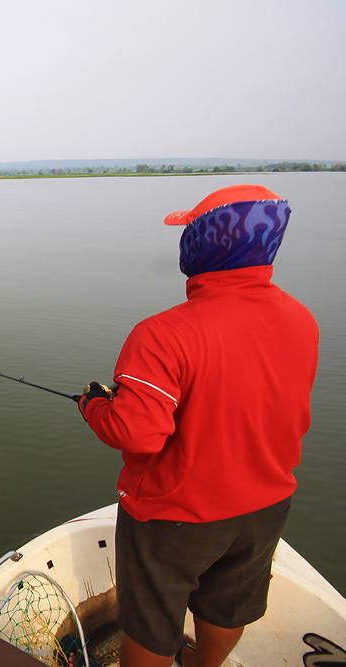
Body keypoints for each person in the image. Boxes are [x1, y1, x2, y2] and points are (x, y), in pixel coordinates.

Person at [77, 184, 319, 667]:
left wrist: (93, 406)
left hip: (176, 515)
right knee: (228, 603)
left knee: (150, 619)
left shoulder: (163, 334)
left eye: (189, 229)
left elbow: (136, 432)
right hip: (266, 506)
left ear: (207, 242)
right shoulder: (302, 318)